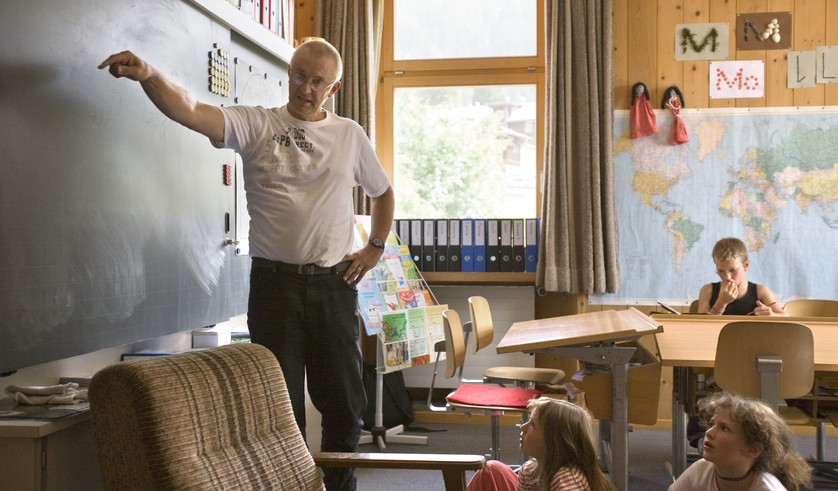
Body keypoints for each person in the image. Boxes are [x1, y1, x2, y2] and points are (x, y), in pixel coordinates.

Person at [98, 40, 394, 491]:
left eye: (317, 82)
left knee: (342, 405)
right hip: (275, 286)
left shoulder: (350, 135)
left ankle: (338, 486)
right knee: (279, 408)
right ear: (289, 72)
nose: (305, 88)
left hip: (335, 285)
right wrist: (149, 75)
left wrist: (374, 246)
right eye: (299, 75)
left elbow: (383, 192)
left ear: (332, 89)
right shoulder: (258, 123)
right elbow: (192, 110)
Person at [670, 392, 812, 491]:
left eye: (724, 428)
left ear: (753, 449)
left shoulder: (767, 488)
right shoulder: (701, 470)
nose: (709, 432)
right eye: (712, 424)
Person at [467, 398, 615, 491]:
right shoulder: (529, 469)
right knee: (492, 469)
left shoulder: (565, 477)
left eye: (533, 424)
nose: (523, 427)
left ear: (555, 440)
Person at [697, 237, 786, 316]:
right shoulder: (708, 290)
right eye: (721, 271)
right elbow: (699, 327)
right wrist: (721, 303)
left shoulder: (760, 291)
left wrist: (772, 315)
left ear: (746, 265)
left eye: (732, 270)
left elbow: (786, 317)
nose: (727, 277)